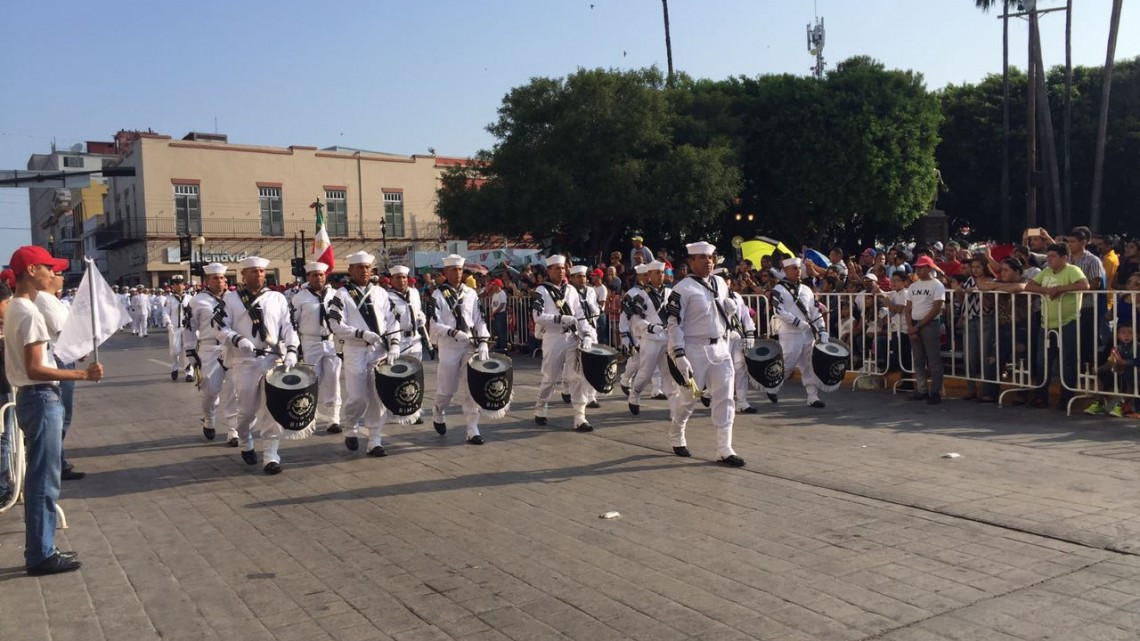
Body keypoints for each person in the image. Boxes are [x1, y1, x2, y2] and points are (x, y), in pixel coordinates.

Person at [5, 245, 104, 575]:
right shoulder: (29, 313)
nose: (53, 273)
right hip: (40, 396)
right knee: (43, 482)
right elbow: (36, 369)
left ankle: (41, 548)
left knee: (40, 478)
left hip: (32, 399)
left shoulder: (19, 309)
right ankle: (40, 553)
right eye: (48, 267)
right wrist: (82, 374)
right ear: (32, 271)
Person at [663, 242, 744, 467]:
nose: (708, 261)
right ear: (691, 262)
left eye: (711, 257)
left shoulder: (719, 282)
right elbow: (674, 323)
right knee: (689, 399)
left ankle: (724, 449)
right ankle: (677, 431)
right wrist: (679, 355)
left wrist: (730, 311)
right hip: (694, 348)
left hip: (720, 347)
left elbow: (721, 313)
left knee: (726, 398)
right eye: (702, 257)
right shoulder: (682, 288)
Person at [217, 256, 300, 474]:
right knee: (246, 412)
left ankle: (271, 456)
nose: (258, 275)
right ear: (243, 275)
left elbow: (289, 327)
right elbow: (218, 326)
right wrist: (237, 339)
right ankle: (245, 440)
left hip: (272, 360)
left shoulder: (277, 298)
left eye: (262, 271)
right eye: (253, 271)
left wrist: (292, 350)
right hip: (244, 361)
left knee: (272, 409)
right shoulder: (231, 299)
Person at [328, 252, 397, 456]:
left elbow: (393, 321)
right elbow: (335, 324)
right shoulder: (342, 294)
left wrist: (393, 345)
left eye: (367, 267)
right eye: (359, 267)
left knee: (377, 396)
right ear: (350, 271)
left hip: (378, 352)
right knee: (358, 397)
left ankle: (375, 440)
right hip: (355, 350)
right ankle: (350, 425)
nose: (364, 271)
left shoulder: (381, 293)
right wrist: (361, 334)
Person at [427, 254, 494, 444]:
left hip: (469, 345)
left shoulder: (470, 293)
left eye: (459, 270)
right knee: (447, 389)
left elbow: (479, 320)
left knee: (472, 387)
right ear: (445, 272)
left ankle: (472, 428)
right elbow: (433, 324)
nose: (457, 273)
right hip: (449, 345)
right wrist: (453, 332)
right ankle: (439, 410)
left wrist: (482, 341)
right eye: (453, 270)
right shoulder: (437, 294)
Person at [533, 255, 598, 431]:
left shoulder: (571, 290)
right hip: (553, 337)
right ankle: (541, 407)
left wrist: (586, 334)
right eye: (556, 268)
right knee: (550, 377)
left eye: (562, 268)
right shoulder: (542, 291)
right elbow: (538, 317)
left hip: (572, 338)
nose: (561, 271)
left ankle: (580, 417)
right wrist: (560, 318)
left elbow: (580, 315)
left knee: (576, 377)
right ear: (548, 271)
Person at [1023, 243, 1089, 409]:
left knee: (1067, 361)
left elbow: (1084, 285)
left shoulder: (1072, 270)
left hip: (1068, 321)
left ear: (1064, 258)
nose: (1049, 259)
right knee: (1042, 361)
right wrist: (1046, 290)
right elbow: (1029, 286)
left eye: (1052, 256)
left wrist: (1060, 289)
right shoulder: (1046, 271)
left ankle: (1066, 398)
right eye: (1048, 256)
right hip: (1047, 323)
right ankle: (1040, 396)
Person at [35, 271, 84, 480]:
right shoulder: (44, 300)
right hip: (59, 359)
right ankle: (55, 463)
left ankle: (57, 460)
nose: (62, 277)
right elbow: (65, 331)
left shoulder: (54, 300)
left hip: (64, 355)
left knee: (63, 415)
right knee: (61, 415)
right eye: (58, 274)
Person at [183, 263, 240, 444]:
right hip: (209, 349)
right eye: (215, 278)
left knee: (234, 390)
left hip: (231, 348)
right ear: (207, 281)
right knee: (210, 391)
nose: (220, 281)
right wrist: (190, 351)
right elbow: (189, 328)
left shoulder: (235, 299)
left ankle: (234, 430)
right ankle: (209, 418)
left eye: (222, 278)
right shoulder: (197, 300)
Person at [288, 261, 344, 436]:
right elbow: (292, 322)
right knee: (313, 380)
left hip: (331, 341)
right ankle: (309, 413)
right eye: (314, 275)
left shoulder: (335, 295)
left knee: (334, 378)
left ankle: (334, 417)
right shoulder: (300, 297)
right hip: (310, 342)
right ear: (308, 277)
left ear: (325, 276)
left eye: (321, 274)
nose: (318, 278)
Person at [766, 258, 829, 408]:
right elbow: (779, 310)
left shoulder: (806, 290)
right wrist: (797, 322)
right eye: (794, 268)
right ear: (786, 271)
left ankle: (812, 396)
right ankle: (772, 387)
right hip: (790, 333)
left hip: (807, 333)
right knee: (787, 365)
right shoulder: (779, 289)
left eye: (799, 268)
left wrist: (822, 329)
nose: (798, 271)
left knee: (809, 365)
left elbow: (814, 311)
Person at [627, 261, 673, 415]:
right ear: (649, 276)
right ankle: (635, 394)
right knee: (646, 373)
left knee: (669, 373)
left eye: (661, 273)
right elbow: (635, 318)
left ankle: (674, 406)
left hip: (667, 338)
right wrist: (650, 327)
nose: (660, 276)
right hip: (651, 338)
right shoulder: (642, 294)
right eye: (656, 273)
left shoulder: (669, 293)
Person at [387, 264, 428, 422]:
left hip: (415, 339)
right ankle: (395, 411)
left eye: (404, 277)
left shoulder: (414, 292)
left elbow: (417, 310)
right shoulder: (387, 296)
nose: (402, 281)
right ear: (392, 280)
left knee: (415, 376)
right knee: (397, 377)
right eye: (398, 278)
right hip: (399, 340)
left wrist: (421, 317)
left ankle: (414, 410)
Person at [907, 255, 947, 404]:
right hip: (916, 324)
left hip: (930, 325)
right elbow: (907, 308)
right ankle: (922, 389)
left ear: (929, 268)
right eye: (917, 267)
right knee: (918, 359)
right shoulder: (913, 286)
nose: (918, 269)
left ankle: (935, 392)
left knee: (933, 359)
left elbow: (936, 308)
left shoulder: (937, 285)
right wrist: (911, 326)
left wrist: (917, 326)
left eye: (921, 267)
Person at [564, 265, 601, 409]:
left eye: (584, 276)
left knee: (593, 362)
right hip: (574, 330)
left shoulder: (591, 291)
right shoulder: (568, 291)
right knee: (572, 364)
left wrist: (590, 304)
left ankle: (591, 396)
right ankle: (566, 385)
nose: (582, 279)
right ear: (572, 278)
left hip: (590, 329)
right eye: (579, 276)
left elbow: (597, 310)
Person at [726, 271, 758, 414]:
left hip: (737, 337)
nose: (726, 282)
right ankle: (714, 395)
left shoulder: (737, 296)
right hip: (722, 338)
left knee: (740, 369)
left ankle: (742, 401)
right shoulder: (711, 297)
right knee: (723, 370)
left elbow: (745, 317)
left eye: (728, 279)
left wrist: (750, 333)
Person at [166, 275, 193, 382]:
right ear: (173, 286)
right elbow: (165, 313)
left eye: (181, 283)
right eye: (176, 284)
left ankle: (189, 372)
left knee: (188, 349)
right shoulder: (169, 299)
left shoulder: (190, 298)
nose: (179, 286)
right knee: (175, 349)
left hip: (187, 327)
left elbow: (194, 312)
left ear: (184, 285)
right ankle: (175, 366)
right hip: (175, 327)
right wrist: (168, 323)